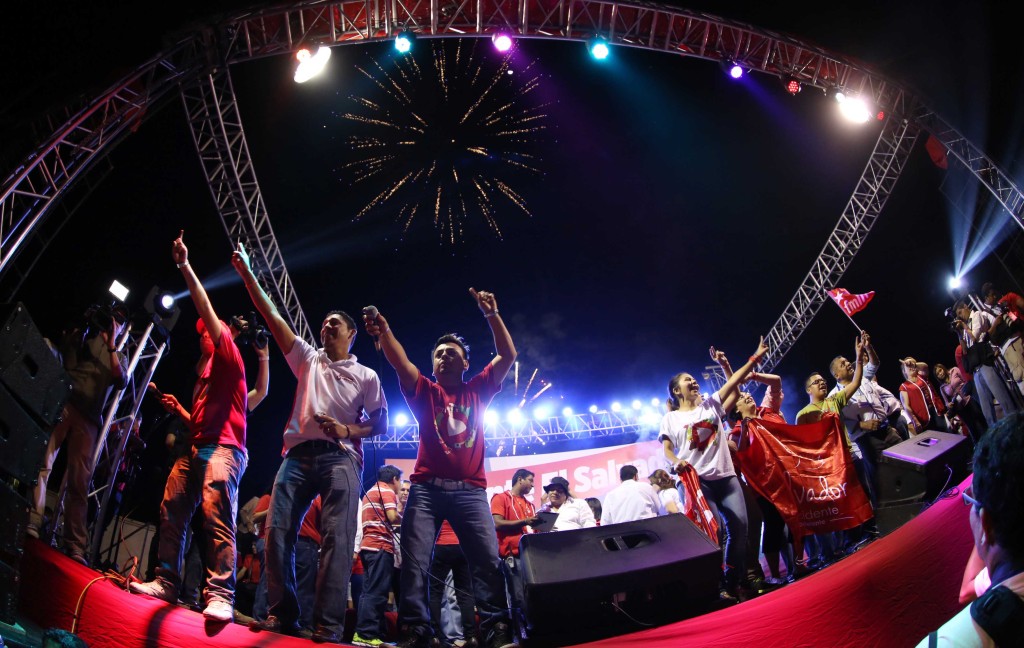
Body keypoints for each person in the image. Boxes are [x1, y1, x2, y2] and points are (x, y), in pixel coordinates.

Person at [233, 244, 388, 642]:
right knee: (277, 530)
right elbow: (271, 313)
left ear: (351, 335)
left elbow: (381, 424)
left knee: (337, 542)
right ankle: (282, 614)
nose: (326, 328)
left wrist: (345, 430)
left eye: (335, 324)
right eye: (323, 323)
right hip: (297, 457)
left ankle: (327, 626)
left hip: (341, 460)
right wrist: (248, 273)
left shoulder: (367, 376)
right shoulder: (307, 358)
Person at [362, 288, 515, 648]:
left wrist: (491, 314)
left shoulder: (479, 390)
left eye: (454, 354)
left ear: (466, 364)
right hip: (426, 489)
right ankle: (415, 629)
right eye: (439, 353)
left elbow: (508, 355)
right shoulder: (424, 392)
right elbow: (400, 362)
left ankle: (495, 626)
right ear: (432, 365)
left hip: (471, 490)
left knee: (486, 562)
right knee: (414, 562)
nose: (446, 356)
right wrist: (384, 331)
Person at [130, 232, 248, 623]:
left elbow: (204, 303)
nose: (203, 336)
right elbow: (199, 421)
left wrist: (184, 265)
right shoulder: (203, 376)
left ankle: (220, 594)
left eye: (206, 332)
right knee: (172, 509)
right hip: (197, 447)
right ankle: (167, 580)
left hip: (224, 449)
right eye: (200, 333)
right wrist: (180, 408)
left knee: (216, 512)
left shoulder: (229, 354)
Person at [660, 337, 769, 599]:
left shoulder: (711, 405)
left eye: (694, 378)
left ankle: (731, 580)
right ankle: (715, 584)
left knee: (741, 527)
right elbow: (666, 450)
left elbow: (734, 384)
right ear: (677, 391)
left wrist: (749, 358)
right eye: (687, 380)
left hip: (725, 476)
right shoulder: (671, 418)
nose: (693, 381)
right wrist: (677, 463)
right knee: (714, 530)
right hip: (697, 481)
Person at [28, 303, 128, 564]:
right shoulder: (87, 337)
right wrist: (85, 325)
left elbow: (121, 381)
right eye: (112, 317)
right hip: (67, 403)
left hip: (90, 419)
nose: (112, 322)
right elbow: (67, 355)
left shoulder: (119, 352)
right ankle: (33, 519)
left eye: (118, 320)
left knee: (79, 481)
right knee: (43, 462)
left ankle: (75, 544)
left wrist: (112, 343)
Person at [917, 413, 1024, 646]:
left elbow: (965, 591)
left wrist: (988, 518)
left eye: (971, 502)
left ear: (985, 523)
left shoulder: (949, 642)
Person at [729, 370, 797, 586]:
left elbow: (776, 381)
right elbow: (743, 456)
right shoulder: (738, 432)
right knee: (774, 526)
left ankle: (799, 564)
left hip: (786, 478)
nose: (747, 396)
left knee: (795, 521)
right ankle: (776, 575)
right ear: (736, 412)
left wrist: (753, 374)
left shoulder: (769, 412)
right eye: (740, 399)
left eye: (746, 395)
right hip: (763, 488)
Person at [353, 465, 404, 648]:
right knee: (377, 593)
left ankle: (364, 633)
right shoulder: (386, 492)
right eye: (400, 482)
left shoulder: (369, 492)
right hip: (380, 548)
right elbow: (392, 516)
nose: (400, 486)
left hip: (368, 547)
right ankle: (366, 634)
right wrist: (405, 518)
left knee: (369, 592)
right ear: (394, 479)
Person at [490, 468, 540, 632]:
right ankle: (520, 634)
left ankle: (535, 630)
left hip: (532, 556)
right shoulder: (501, 498)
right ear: (520, 479)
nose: (532, 485)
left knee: (532, 596)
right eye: (530, 480)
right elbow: (497, 523)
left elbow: (532, 528)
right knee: (518, 596)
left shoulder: (529, 504)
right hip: (513, 555)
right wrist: (525, 521)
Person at [898, 357, 949, 433]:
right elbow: (906, 406)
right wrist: (914, 420)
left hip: (936, 412)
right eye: (908, 366)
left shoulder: (922, 376)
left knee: (947, 436)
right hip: (923, 419)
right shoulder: (904, 387)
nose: (911, 366)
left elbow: (925, 366)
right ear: (904, 371)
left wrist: (913, 363)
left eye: (912, 364)